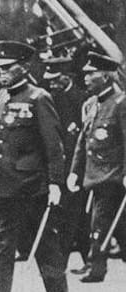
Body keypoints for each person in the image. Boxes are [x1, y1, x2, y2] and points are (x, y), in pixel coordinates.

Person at [0, 41, 69, 292]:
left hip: (31, 185)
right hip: (3, 184)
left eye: (8, 68)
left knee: (44, 242)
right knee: (0, 241)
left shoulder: (39, 98)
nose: (2, 73)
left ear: (23, 68)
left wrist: (55, 183)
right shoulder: (0, 98)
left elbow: (53, 145)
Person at [66, 51, 126, 283]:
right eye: (86, 74)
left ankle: (96, 267)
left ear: (105, 76)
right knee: (115, 224)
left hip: (112, 175)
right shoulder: (92, 105)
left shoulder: (121, 103)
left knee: (99, 222)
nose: (86, 78)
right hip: (94, 174)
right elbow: (83, 142)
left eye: (91, 74)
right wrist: (74, 171)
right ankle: (96, 262)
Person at [40, 55, 91, 274]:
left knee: (79, 214)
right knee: (65, 214)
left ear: (67, 76)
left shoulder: (83, 99)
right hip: (58, 165)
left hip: (77, 166)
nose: (51, 83)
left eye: (55, 79)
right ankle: (65, 260)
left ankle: (89, 259)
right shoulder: (51, 98)